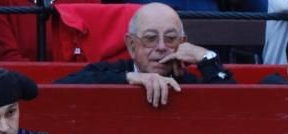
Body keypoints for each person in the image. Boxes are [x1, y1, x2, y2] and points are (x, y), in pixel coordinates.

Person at [55, 2, 235, 108]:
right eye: (150, 38)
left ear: (182, 43)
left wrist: (206, 57)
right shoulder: (112, 72)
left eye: (171, 39)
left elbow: (234, 109)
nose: (162, 47)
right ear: (131, 46)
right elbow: (57, 90)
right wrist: (129, 78)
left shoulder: (190, 81)